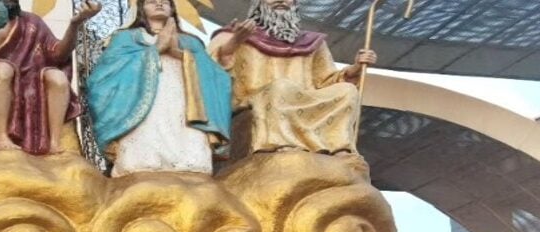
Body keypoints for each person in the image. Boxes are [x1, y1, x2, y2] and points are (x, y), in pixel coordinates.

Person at [209, 0, 376, 155]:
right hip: (257, 100)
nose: (281, 0)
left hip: (304, 100)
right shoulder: (236, 33)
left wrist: (355, 69)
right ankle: (281, 144)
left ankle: (338, 148)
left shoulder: (313, 42)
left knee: (347, 91)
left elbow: (326, 80)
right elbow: (209, 67)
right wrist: (234, 42)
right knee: (281, 87)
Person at [0, 0, 100, 154]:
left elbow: (58, 55)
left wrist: (75, 23)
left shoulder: (31, 22)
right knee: (2, 69)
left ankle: (54, 143)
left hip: (30, 78)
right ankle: (1, 138)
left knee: (57, 77)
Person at [86, 0, 232, 176]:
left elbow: (215, 76)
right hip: (141, 99)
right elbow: (104, 76)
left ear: (173, 9)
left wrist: (181, 54)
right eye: (152, 1)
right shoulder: (126, 38)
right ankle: (143, 158)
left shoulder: (191, 42)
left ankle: (190, 160)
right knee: (147, 137)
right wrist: (156, 49)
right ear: (141, 8)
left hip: (182, 94)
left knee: (184, 134)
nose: (159, 4)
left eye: (165, 2)